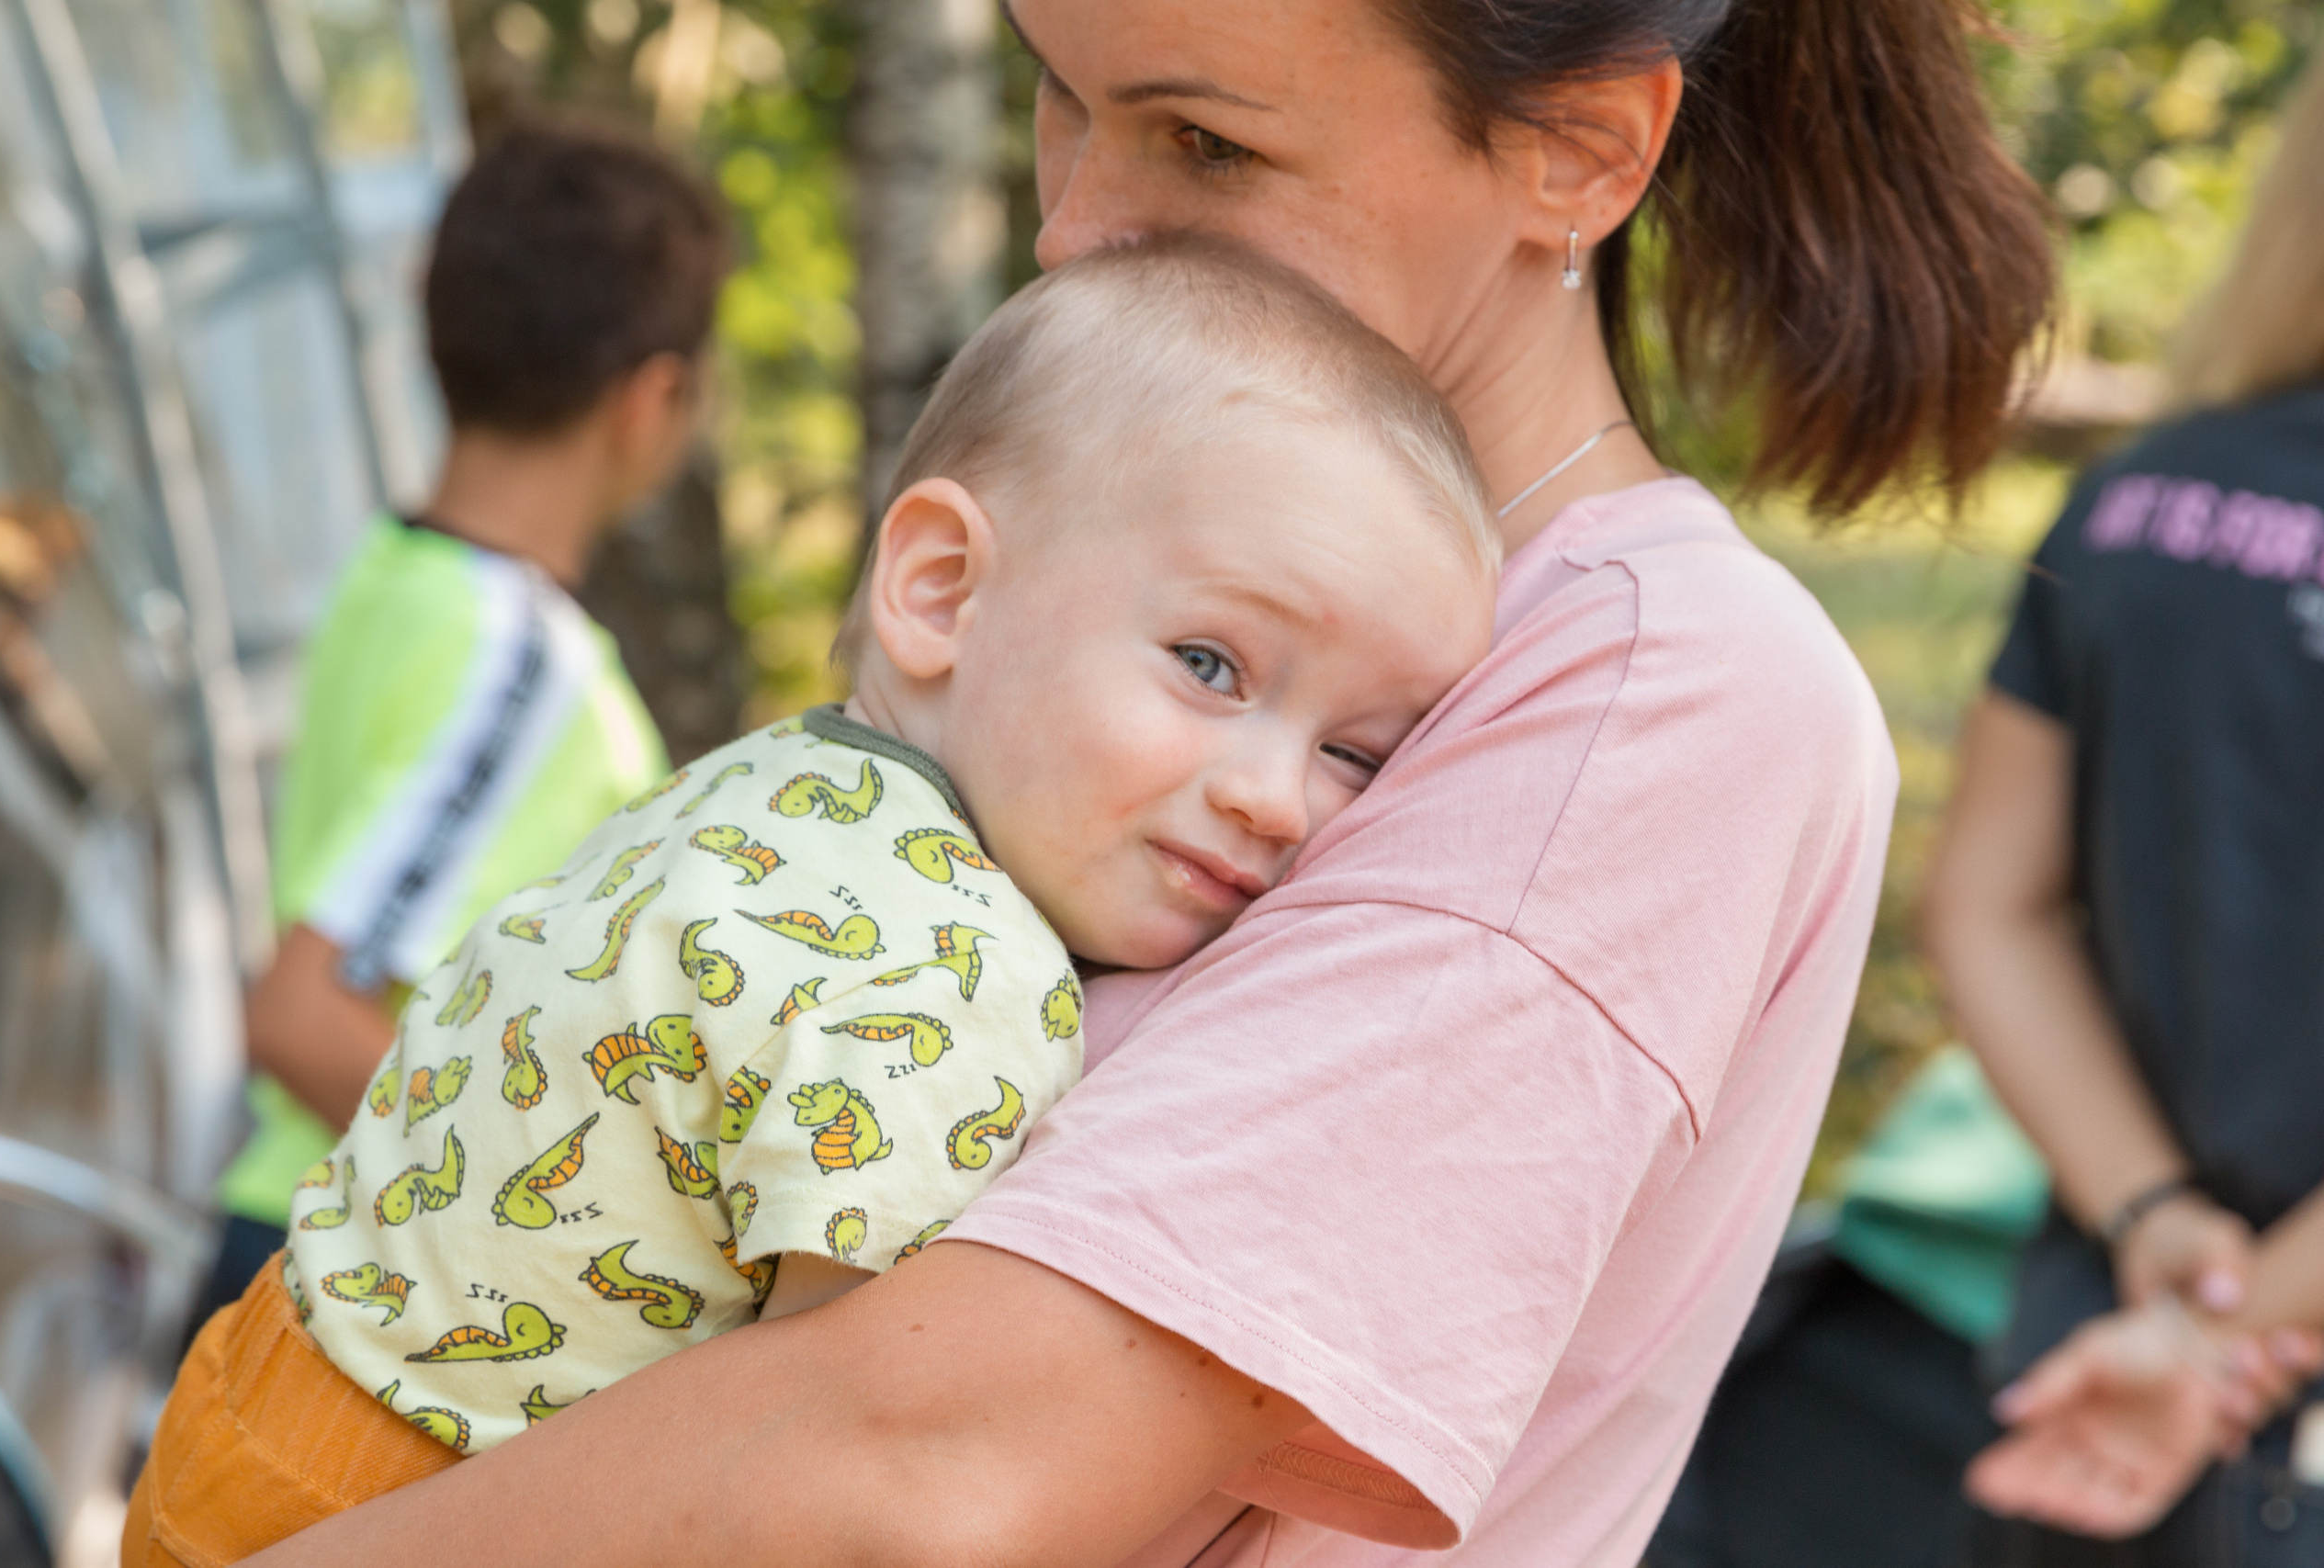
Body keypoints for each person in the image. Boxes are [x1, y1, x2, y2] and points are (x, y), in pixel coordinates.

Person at [225, 0, 2056, 1563]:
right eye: (1057, 95)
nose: (1077, 228)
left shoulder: (1654, 690)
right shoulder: (1145, 546)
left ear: (1574, 151)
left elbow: (927, 1461)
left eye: (1201, 143)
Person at [127, 236, 1503, 1568]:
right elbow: (813, 1468)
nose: (1278, 796)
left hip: (262, 1393)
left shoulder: (782, 784)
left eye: (1356, 754)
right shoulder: (947, 964)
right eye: (1211, 663)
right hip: (422, 1501)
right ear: (941, 588)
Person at [198, 119, 726, 1326]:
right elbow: (305, 1011)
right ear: (652, 397)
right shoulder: (528, 668)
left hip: (292, 1252)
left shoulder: (391, 579)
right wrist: (592, 1217)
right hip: (344, 1286)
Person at [1925, 52, 2324, 1563]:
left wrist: (2156, 1223)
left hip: (2101, 1369)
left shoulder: (2141, 498)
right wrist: (2237, 1334)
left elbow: (1988, 908)